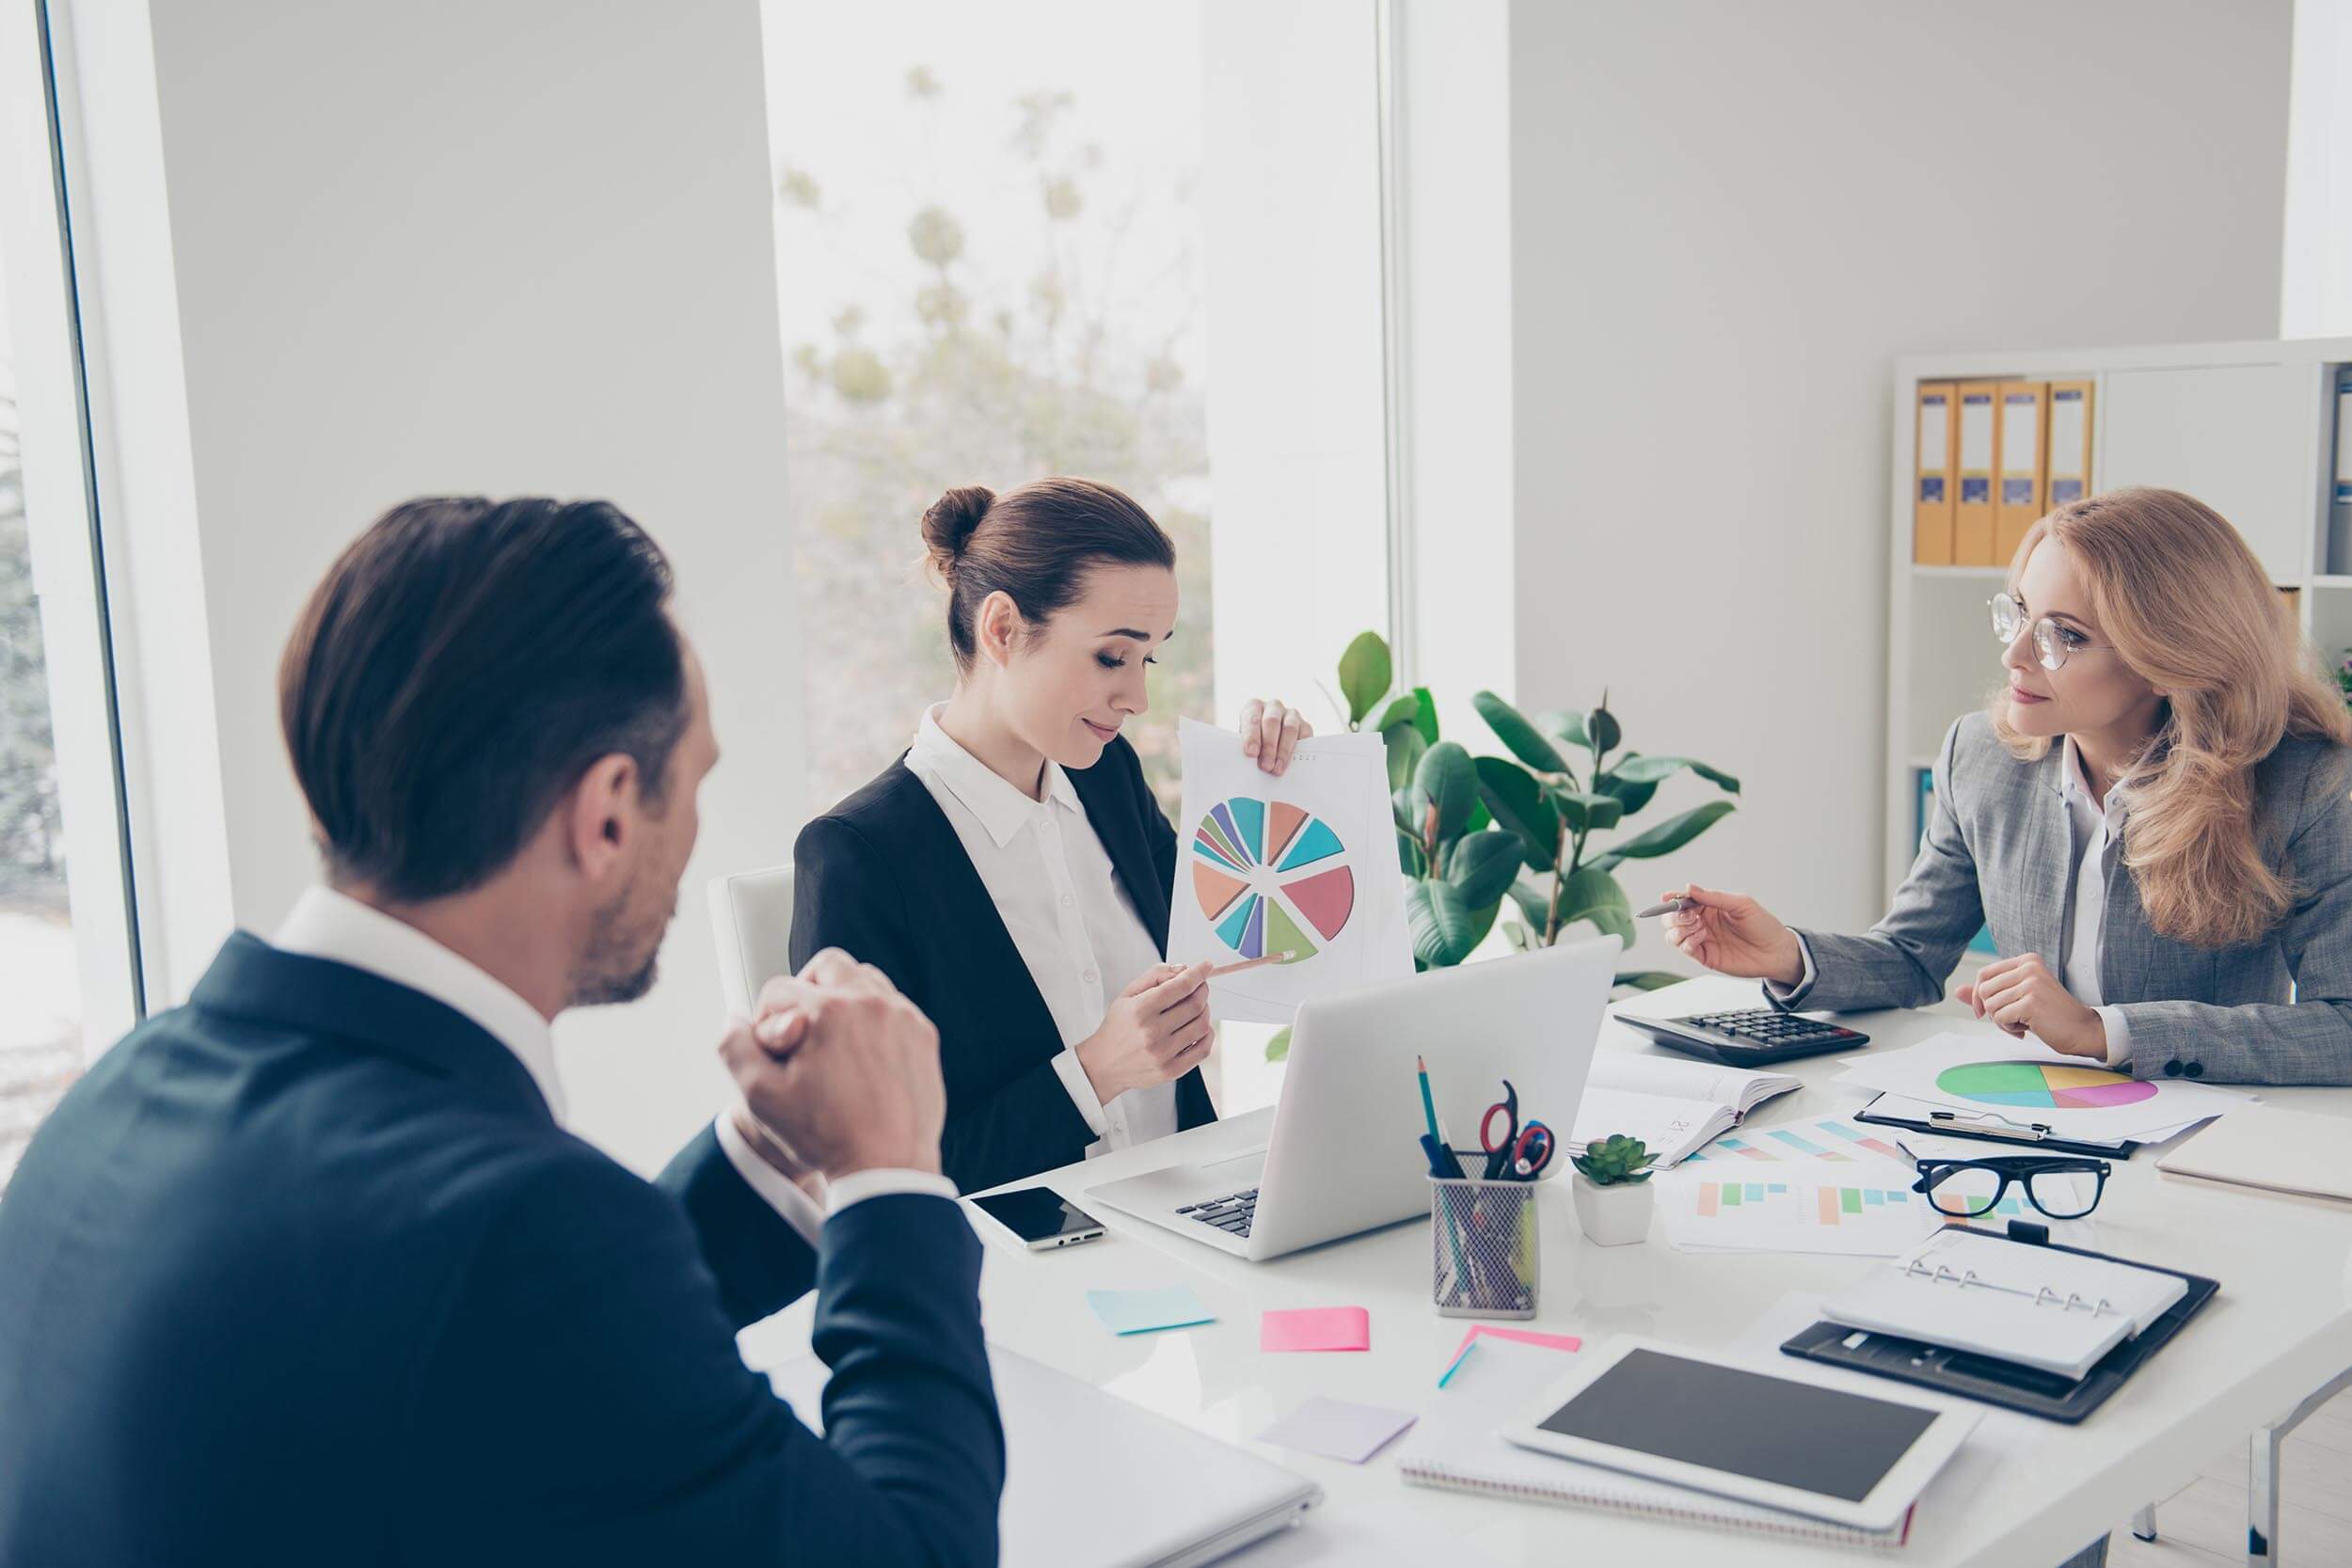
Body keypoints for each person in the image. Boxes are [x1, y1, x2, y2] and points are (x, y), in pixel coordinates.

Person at [0, 499, 1002, 1566]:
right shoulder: (525, 1234)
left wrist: (768, 1155)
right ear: (609, 810)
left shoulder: (123, 1089)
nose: (696, 826)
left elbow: (503, 1353)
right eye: (694, 781)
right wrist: (887, 1178)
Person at [1662, 485, 2352, 1085]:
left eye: (2066, 635)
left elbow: (2341, 1025)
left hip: (2205, 1134)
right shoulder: (1982, 755)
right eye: (2018, 612)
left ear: (2166, 659)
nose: (2014, 653)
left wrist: (2102, 1029)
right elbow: (1910, 958)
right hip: (2025, 1111)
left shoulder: (2302, 783)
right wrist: (1788, 954)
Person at [793, 477, 1310, 1193]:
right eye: (1111, 657)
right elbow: (862, 1177)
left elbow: (1237, 940)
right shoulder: (860, 854)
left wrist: (1278, 786)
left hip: (1194, 1213)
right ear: (1001, 629)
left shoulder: (1107, 776)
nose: (1137, 697)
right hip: (1015, 1274)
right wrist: (1095, 1071)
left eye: (1148, 657)